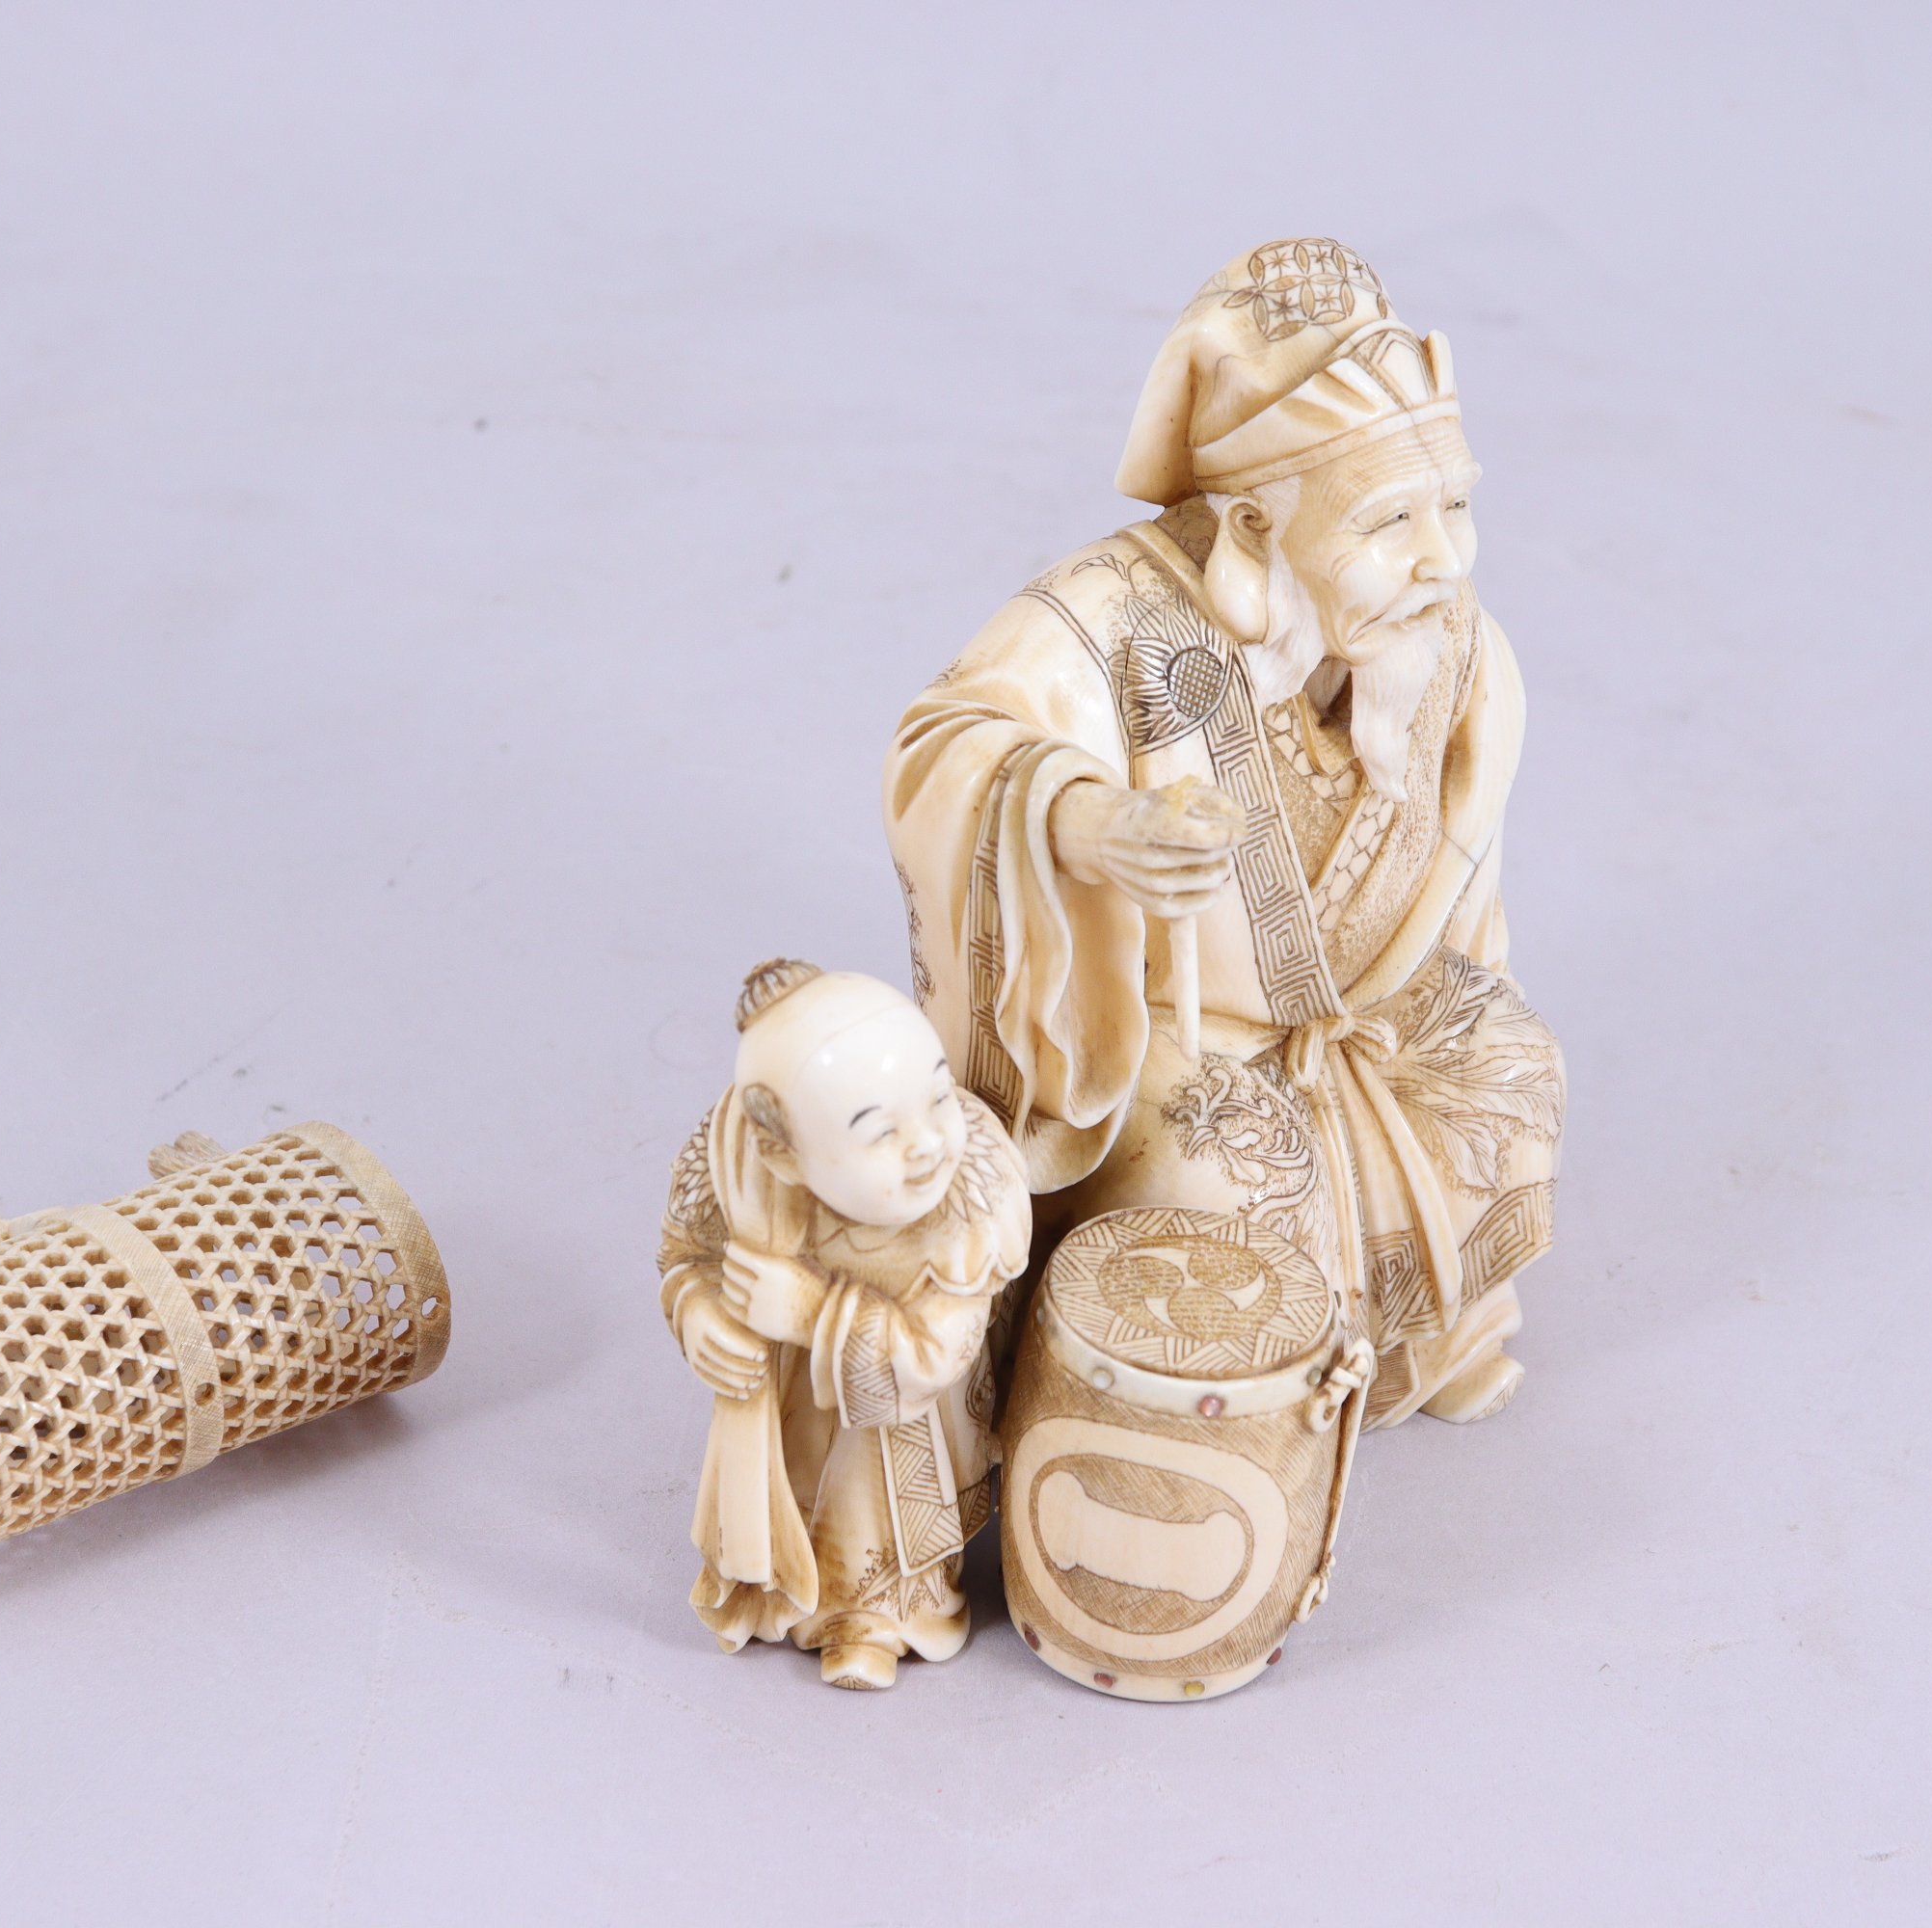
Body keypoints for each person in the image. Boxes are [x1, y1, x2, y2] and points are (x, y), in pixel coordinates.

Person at [886, 239, 1565, 1428]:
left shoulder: (1457, 650)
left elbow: (1467, 914)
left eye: (1455, 504)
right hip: (1176, 1040)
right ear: (1253, 524)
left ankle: (1425, 1336)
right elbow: (949, 745)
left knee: (1509, 1075)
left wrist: (1461, 1005)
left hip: (1365, 1020)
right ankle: (1212, 1414)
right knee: (1215, 1183)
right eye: (1389, 520)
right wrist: (1087, 822)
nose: (1442, 559)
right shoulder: (1117, 616)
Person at [657, 959, 1030, 1688]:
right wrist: (699, 1314)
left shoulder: (970, 1198)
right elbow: (688, 1254)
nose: (928, 1144)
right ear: (782, 1153)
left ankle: (874, 1619)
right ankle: (785, 1579)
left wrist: (809, 1309)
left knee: (869, 1515)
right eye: (879, 1131)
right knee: (806, 1496)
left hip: (901, 1421)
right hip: (793, 1413)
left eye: (938, 1095)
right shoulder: (738, 1159)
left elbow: (937, 1354)